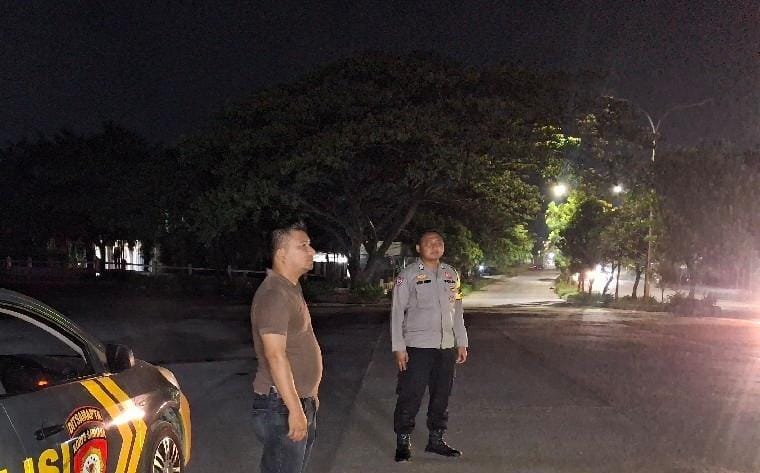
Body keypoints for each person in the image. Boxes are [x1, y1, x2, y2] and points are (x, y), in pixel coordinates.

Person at [390, 230, 469, 462]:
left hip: (446, 347)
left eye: (439, 243)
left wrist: (462, 341)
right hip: (417, 347)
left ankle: (436, 439)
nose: (435, 247)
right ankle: (403, 440)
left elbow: (458, 310)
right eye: (428, 243)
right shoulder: (408, 275)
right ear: (418, 248)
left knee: (441, 395)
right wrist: (398, 347)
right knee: (410, 394)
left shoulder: (451, 274)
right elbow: (397, 312)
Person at [250, 223, 322, 473]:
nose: (312, 251)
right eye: (303, 246)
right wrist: (295, 409)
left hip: (298, 400)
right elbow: (275, 355)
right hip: (281, 404)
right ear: (281, 254)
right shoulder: (274, 295)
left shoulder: (289, 288)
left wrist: (310, 394)